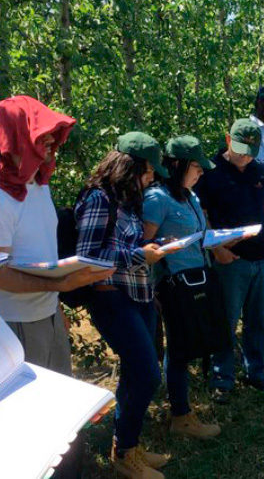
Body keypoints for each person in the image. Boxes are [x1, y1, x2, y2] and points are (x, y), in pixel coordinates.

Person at [0, 96, 113, 375]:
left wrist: (55, 307)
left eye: (50, 136)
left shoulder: (38, 186)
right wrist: (62, 285)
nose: (50, 142)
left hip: (47, 316)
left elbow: (41, 256)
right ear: (12, 139)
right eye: (40, 136)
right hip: (15, 324)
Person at [75, 132, 173, 479]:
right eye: (147, 172)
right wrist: (137, 255)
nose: (150, 179)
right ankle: (124, 451)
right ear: (129, 167)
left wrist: (157, 246)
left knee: (138, 371)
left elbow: (129, 244)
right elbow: (86, 256)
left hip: (139, 293)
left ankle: (127, 447)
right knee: (147, 373)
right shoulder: (99, 199)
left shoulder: (129, 201)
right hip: (112, 298)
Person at [195, 119, 264, 403]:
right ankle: (222, 377)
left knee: (257, 321)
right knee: (226, 320)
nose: (245, 157)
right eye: (240, 150)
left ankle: (255, 372)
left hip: (262, 258)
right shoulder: (209, 171)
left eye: (250, 151)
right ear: (227, 140)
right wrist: (216, 248)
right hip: (229, 261)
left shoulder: (260, 170)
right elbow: (200, 215)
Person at [142, 135, 221, 440]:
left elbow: (202, 232)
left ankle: (182, 407)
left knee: (186, 346)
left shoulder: (190, 195)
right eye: (196, 166)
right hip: (173, 284)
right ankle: (180, 414)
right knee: (177, 349)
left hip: (196, 278)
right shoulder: (157, 199)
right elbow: (142, 245)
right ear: (178, 166)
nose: (201, 172)